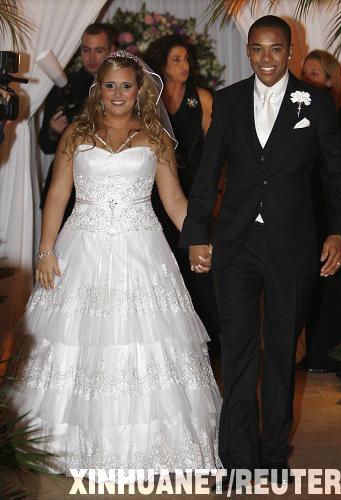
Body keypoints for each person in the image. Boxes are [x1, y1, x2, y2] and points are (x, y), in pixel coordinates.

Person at [9, 50, 221, 479]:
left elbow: (175, 200)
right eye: (110, 85)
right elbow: (56, 196)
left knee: (144, 345)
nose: (118, 93)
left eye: (126, 85)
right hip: (80, 249)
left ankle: (146, 448)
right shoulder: (76, 133)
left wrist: (200, 239)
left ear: (138, 89)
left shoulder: (156, 136)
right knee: (74, 344)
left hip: (141, 251)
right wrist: (46, 251)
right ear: (98, 89)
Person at [180, 15, 341, 485]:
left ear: (290, 51)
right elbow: (208, 171)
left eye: (275, 49)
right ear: (249, 52)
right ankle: (238, 456)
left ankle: (274, 451)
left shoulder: (314, 101)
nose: (266, 58)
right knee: (237, 350)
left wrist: (338, 232)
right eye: (257, 49)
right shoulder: (231, 101)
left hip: (292, 244)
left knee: (279, 351)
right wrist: (198, 231)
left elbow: (337, 177)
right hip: (236, 243)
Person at [144, 35, 221, 360]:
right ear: (162, 64)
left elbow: (218, 151)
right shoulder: (149, 98)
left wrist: (217, 194)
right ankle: (172, 344)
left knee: (201, 269)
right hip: (157, 196)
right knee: (166, 267)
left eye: (187, 59)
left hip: (197, 194)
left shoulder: (201, 98)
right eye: (176, 60)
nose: (184, 66)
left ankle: (211, 343)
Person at [301, 50, 341, 372]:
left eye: (316, 73)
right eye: (305, 72)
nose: (309, 78)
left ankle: (330, 356)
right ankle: (310, 353)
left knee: (330, 277)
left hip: (329, 207)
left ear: (330, 79)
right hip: (306, 205)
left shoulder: (339, 114)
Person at [39, 23, 116, 223]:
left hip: (107, 189)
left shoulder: (122, 88)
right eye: (86, 50)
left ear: (112, 50)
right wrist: (54, 131)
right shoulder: (64, 84)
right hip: (65, 192)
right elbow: (45, 146)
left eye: (99, 50)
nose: (91, 57)